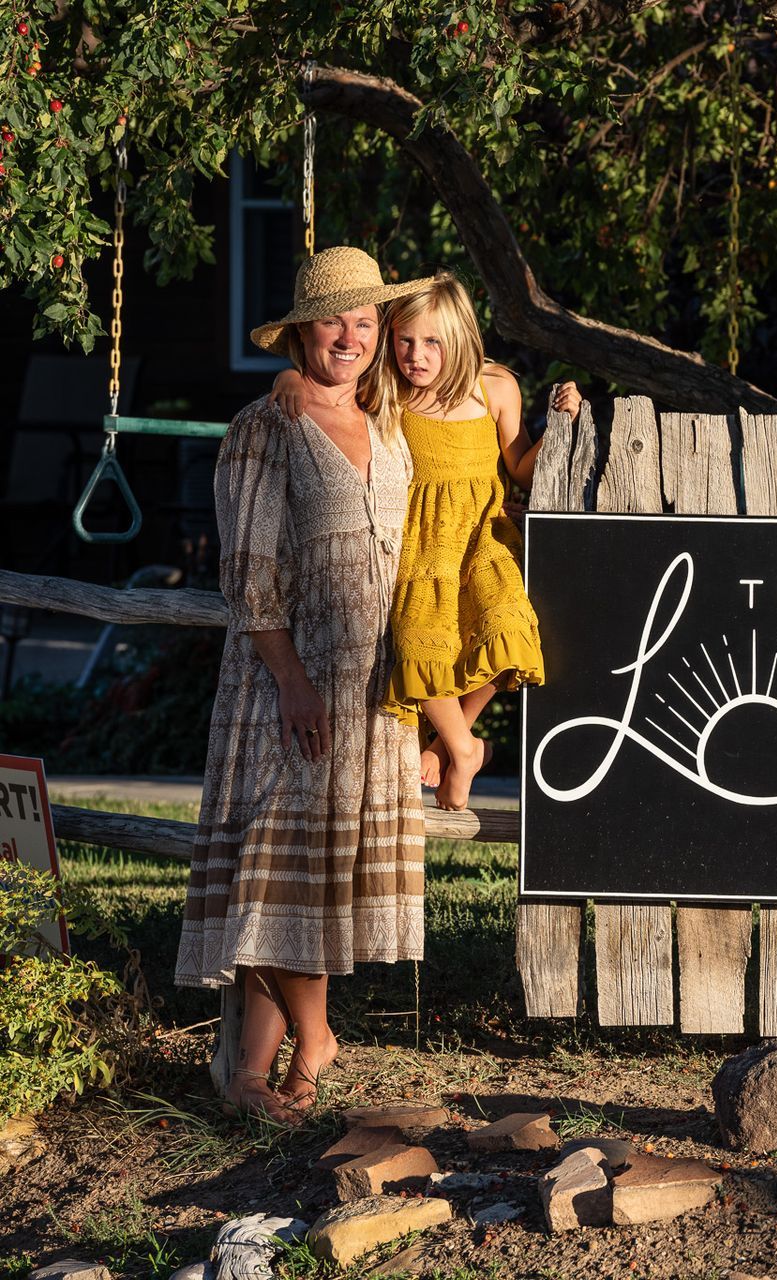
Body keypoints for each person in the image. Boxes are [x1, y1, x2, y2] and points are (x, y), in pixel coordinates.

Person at [175, 246, 434, 1121]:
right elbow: (248, 570)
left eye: (367, 321)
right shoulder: (265, 426)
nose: (352, 337)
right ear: (300, 332)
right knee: (273, 862)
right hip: (290, 680)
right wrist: (289, 678)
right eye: (336, 320)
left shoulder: (395, 421)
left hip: (374, 689)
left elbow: (482, 386)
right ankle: (313, 1036)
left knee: (315, 875)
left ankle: (260, 1074)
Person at [275, 272, 579, 810]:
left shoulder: (496, 389)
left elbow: (522, 468)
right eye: (405, 341)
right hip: (419, 543)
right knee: (418, 640)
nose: (416, 355)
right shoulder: (386, 390)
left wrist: (561, 425)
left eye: (432, 342)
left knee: (509, 628)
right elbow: (327, 385)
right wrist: (290, 380)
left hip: (482, 535)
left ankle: (451, 738)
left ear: (460, 337)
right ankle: (464, 749)